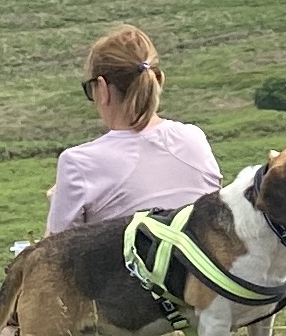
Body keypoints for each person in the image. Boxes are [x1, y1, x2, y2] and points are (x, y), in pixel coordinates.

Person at [46, 25, 223, 233]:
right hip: (198, 255)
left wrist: (58, 202)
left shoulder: (79, 164)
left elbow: (54, 250)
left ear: (102, 89)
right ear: (159, 80)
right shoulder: (194, 139)